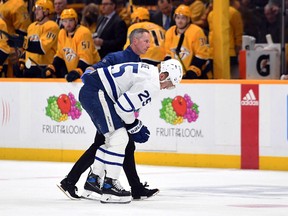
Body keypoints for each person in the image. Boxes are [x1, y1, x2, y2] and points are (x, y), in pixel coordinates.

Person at [58, 28, 160, 201]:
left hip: (115, 109)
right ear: (134, 41)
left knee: (123, 145)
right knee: (109, 144)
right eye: (145, 41)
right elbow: (93, 70)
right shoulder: (117, 57)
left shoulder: (137, 61)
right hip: (106, 106)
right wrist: (86, 77)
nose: (149, 45)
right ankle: (72, 181)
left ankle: (132, 187)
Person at [78, 58, 183, 203]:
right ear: (163, 76)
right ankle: (110, 185)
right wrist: (134, 125)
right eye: (169, 84)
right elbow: (123, 107)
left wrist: (133, 125)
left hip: (93, 91)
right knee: (120, 137)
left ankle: (93, 181)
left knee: (111, 139)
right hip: (97, 92)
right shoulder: (153, 83)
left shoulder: (149, 70)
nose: (166, 88)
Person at [43, 8, 100, 81]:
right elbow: (60, 54)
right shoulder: (62, 33)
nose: (68, 24)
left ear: (76, 21)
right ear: (62, 22)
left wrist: (78, 70)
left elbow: (86, 57)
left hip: (92, 71)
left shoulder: (83, 33)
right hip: (76, 71)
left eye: (70, 20)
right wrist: (53, 67)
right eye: (65, 21)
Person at [8, 0, 59, 78]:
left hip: (44, 68)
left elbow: (42, 49)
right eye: (35, 9)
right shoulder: (31, 27)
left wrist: (23, 42)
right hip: (29, 67)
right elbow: (28, 49)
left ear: (47, 11)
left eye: (39, 9)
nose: (36, 12)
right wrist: (22, 60)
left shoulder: (52, 26)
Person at [164, 4, 209, 79]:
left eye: (183, 18)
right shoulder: (170, 32)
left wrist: (192, 72)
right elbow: (168, 54)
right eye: (178, 18)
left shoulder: (197, 31)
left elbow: (202, 55)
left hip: (194, 75)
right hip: (175, 76)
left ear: (188, 19)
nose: (180, 21)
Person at [208, 0, 243, 79]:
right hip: (213, 52)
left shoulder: (233, 13)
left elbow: (238, 34)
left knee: (231, 76)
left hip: (229, 52)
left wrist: (238, 49)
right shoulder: (211, 14)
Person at [0, 0, 31, 77]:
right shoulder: (3, 4)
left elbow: (23, 33)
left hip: (10, 52)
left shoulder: (17, 4)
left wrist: (21, 53)